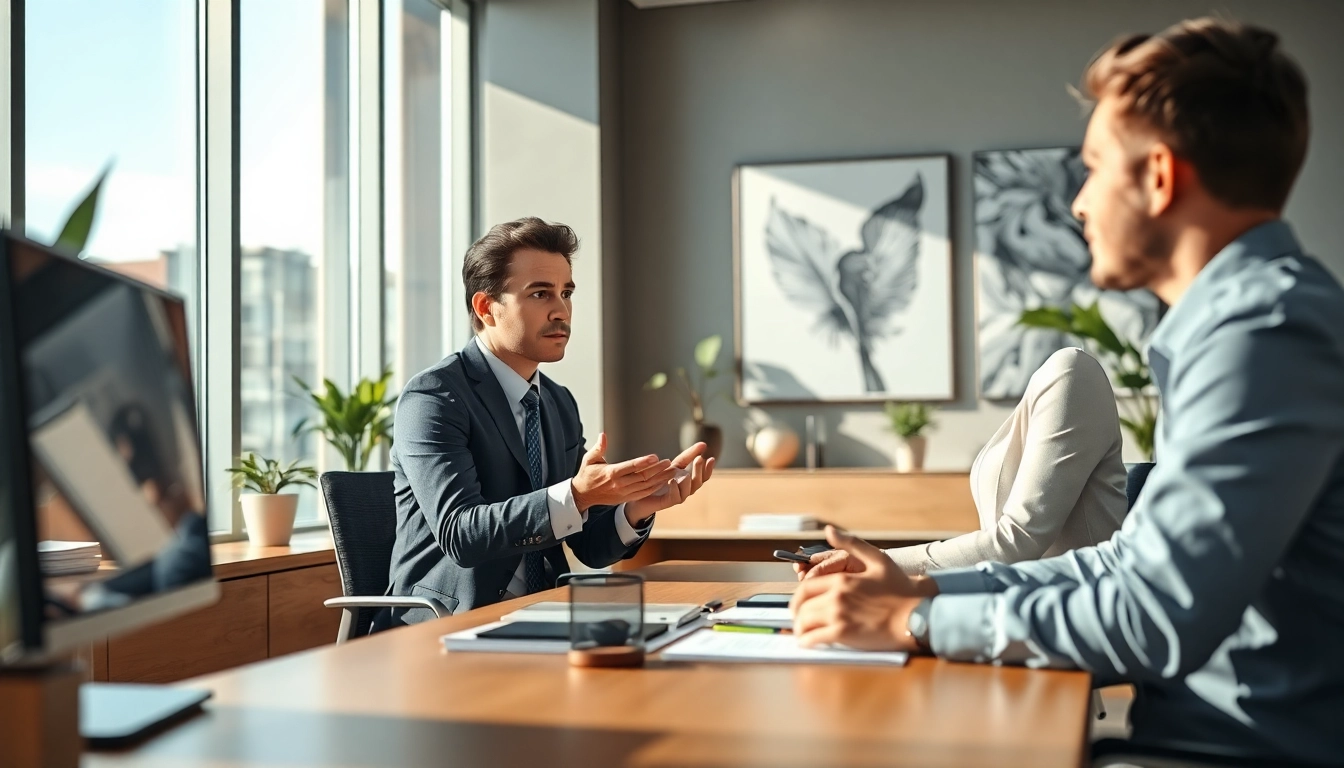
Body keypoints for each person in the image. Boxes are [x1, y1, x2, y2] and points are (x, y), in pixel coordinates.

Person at [790, 18, 1344, 764]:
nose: (1079, 203)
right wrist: (924, 592)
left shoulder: (1266, 333)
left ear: (1157, 176)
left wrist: (916, 625)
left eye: (1092, 167)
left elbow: (1155, 617)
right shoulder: (1237, 329)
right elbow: (1125, 563)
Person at [382, 217, 715, 627]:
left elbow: (589, 547)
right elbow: (461, 535)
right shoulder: (434, 397)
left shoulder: (558, 402)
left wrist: (635, 508)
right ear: (487, 308)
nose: (561, 310)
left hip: (544, 616)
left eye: (566, 292)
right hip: (449, 625)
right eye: (540, 293)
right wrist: (576, 495)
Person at [799, 346, 1127, 578]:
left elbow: (1016, 542)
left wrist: (877, 562)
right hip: (1022, 606)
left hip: (1076, 619)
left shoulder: (1072, 373)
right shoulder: (1052, 380)